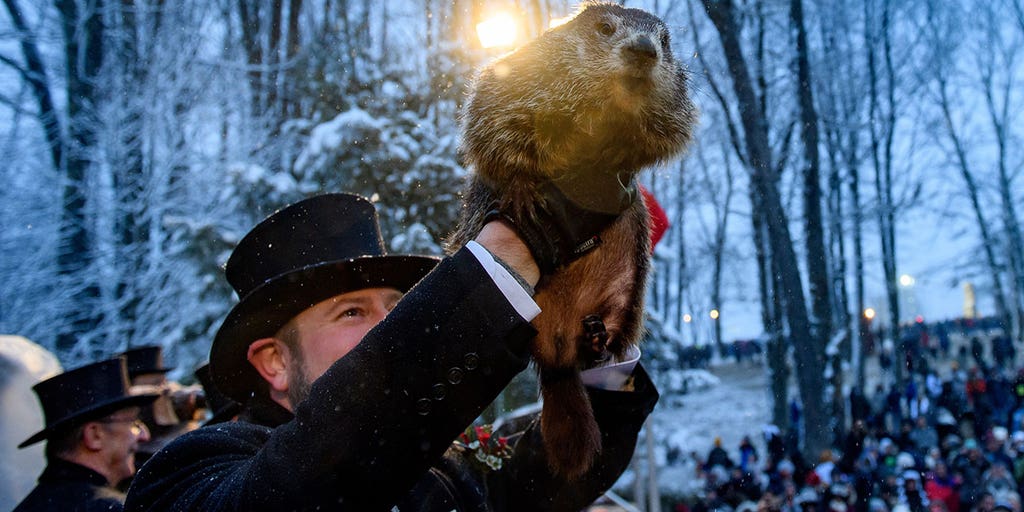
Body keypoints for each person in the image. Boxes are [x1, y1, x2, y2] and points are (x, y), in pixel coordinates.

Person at [125, 191, 659, 511]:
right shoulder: (195, 473)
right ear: (274, 362)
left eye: (397, 306)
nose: (392, 326)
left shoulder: (439, 471)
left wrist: (594, 331)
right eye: (351, 312)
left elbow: (552, 476)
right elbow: (314, 475)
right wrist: (509, 251)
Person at [14, 357, 157, 511]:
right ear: (94, 435)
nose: (144, 436)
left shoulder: (30, 506)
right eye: (133, 423)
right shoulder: (109, 508)